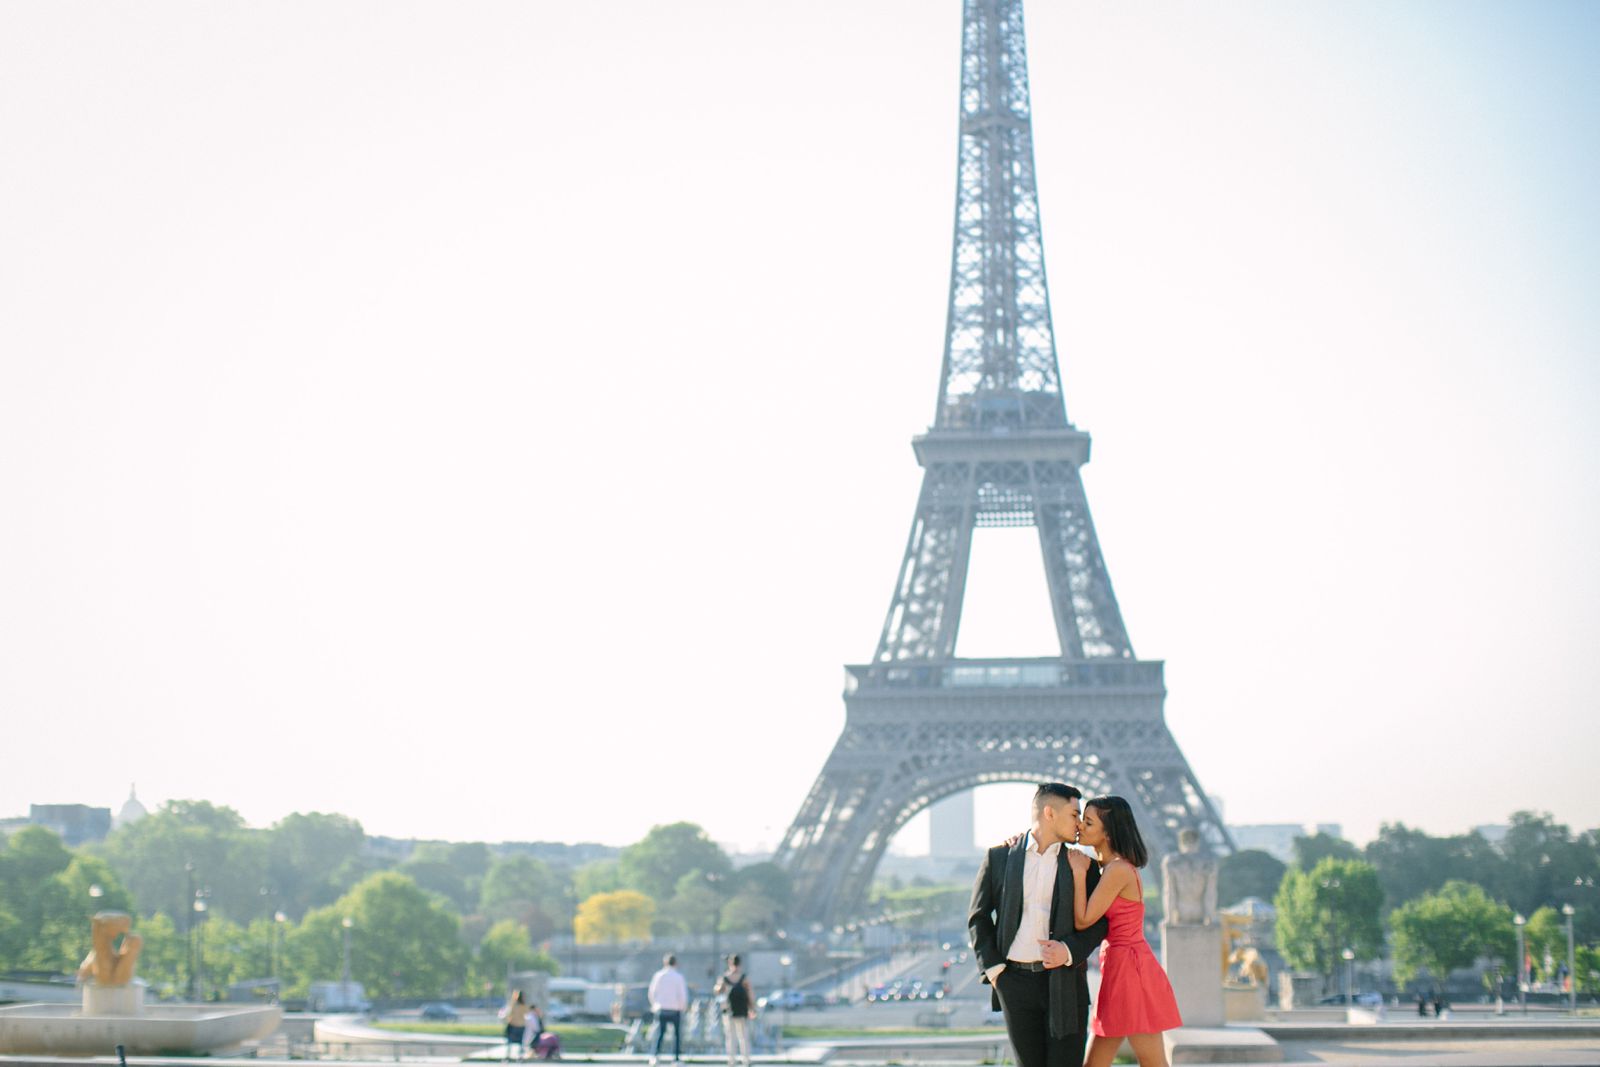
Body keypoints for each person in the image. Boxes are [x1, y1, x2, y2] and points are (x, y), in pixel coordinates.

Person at [969, 782, 1110, 1067]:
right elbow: (979, 917)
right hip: (1014, 984)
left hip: (1065, 983)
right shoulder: (999, 857)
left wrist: (1069, 951)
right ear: (1050, 813)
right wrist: (997, 973)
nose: (1079, 823)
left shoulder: (1082, 864)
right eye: (1074, 814)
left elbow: (1099, 922)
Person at [1067, 795, 1182, 1067]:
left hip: (1130, 971)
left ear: (1108, 832)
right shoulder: (1109, 867)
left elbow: (1083, 920)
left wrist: (1077, 873)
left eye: (1089, 822)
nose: (1081, 826)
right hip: (1122, 968)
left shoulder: (1117, 869)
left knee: (1151, 1061)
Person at [647, 952, 689, 1065]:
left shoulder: (658, 975)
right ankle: (676, 1058)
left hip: (661, 1008)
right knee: (677, 1035)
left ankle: (655, 1056)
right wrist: (683, 1007)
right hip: (675, 1009)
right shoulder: (679, 977)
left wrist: (655, 1005)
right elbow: (682, 995)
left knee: (660, 1034)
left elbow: (652, 992)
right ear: (675, 963)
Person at [714, 954, 754, 1067]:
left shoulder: (725, 977)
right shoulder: (744, 978)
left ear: (729, 963)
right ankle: (746, 1060)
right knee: (744, 1036)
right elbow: (750, 994)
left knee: (730, 1037)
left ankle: (731, 1061)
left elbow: (717, 991)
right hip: (742, 1011)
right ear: (740, 964)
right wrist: (752, 1008)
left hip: (729, 1011)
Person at [499, 990, 528, 1061]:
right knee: (520, 1042)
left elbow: (509, 1013)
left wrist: (513, 999)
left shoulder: (514, 1004)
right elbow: (526, 1014)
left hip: (513, 1025)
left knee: (510, 1042)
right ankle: (520, 1057)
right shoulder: (524, 1005)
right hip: (521, 1025)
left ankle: (508, 1056)